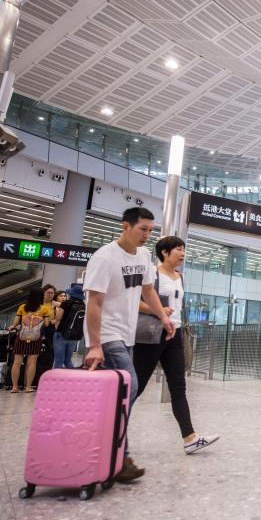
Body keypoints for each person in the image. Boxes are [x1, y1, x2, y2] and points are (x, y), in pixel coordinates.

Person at [83, 207, 175, 483]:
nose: (147, 235)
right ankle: (119, 457)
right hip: (107, 334)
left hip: (127, 334)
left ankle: (102, 446)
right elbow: (94, 303)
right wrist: (95, 345)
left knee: (118, 394)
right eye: (142, 229)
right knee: (128, 387)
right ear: (125, 226)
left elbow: (148, 290)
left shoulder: (144, 255)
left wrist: (163, 317)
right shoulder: (104, 258)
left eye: (150, 230)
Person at [133, 235, 220, 455]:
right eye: (178, 249)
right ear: (164, 252)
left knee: (178, 387)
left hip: (176, 334)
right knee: (137, 386)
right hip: (153, 334)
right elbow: (134, 302)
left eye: (183, 249)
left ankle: (190, 438)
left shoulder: (180, 277)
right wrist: (158, 310)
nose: (183, 253)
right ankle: (111, 430)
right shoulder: (152, 273)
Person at [8, 286, 52, 393]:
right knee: (32, 363)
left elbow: (16, 323)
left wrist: (13, 327)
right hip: (35, 338)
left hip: (21, 337)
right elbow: (46, 324)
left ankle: (14, 387)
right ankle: (28, 387)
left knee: (17, 362)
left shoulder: (22, 307)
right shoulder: (44, 309)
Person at [52, 284, 85, 368]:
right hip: (74, 336)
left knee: (59, 360)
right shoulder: (84, 306)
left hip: (61, 334)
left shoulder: (66, 303)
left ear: (71, 294)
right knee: (68, 360)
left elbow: (58, 318)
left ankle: (57, 376)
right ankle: (70, 375)